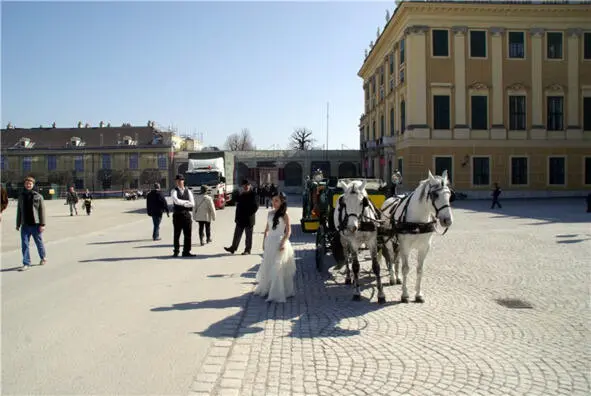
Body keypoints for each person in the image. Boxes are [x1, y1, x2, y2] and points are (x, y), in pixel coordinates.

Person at [254, 192, 296, 303]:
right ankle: (267, 288)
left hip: (279, 242)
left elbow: (288, 231)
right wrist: (263, 242)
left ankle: (277, 292)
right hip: (270, 242)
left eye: (276, 200)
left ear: (282, 202)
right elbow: (266, 229)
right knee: (268, 265)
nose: (274, 202)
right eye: (273, 200)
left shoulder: (285, 214)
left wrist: (283, 242)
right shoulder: (270, 213)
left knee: (278, 268)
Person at [16, 176, 47, 271]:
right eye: (26, 184)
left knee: (39, 242)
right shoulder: (21, 196)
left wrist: (42, 224)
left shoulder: (38, 196)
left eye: (30, 184)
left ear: (33, 185)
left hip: (35, 224)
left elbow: (42, 211)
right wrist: (18, 224)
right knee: (24, 244)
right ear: (24, 185)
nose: (28, 185)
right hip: (25, 225)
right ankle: (26, 263)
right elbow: (19, 211)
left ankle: (43, 257)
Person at [225, 179, 259, 255]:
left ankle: (247, 250)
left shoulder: (254, 194)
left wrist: (248, 214)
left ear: (250, 186)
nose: (246, 187)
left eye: (247, 185)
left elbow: (256, 207)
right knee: (237, 234)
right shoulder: (242, 194)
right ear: (242, 186)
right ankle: (233, 248)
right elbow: (236, 203)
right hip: (240, 218)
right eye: (244, 185)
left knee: (248, 236)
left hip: (249, 219)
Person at [171, 175, 195, 257]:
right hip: (177, 215)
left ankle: (186, 251)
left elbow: (192, 203)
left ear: (183, 181)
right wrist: (185, 203)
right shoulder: (174, 191)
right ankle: (176, 251)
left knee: (188, 234)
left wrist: (184, 204)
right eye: (177, 181)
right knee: (177, 234)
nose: (178, 182)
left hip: (186, 215)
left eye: (179, 180)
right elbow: (176, 200)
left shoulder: (188, 191)